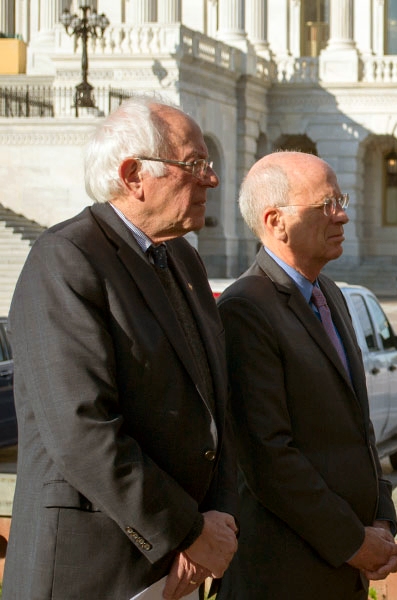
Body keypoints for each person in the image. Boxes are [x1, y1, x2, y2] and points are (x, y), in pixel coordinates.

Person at [6, 96, 238, 599]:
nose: (211, 180)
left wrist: (208, 531)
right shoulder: (66, 260)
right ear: (134, 175)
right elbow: (81, 431)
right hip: (91, 569)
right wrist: (187, 533)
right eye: (195, 165)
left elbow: (212, 410)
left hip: (177, 566)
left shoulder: (183, 260)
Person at [217, 151, 397, 599]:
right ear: (275, 220)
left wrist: (381, 517)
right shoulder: (246, 309)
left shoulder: (331, 295)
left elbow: (358, 428)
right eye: (325, 205)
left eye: (341, 200)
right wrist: (353, 542)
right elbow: (268, 458)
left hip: (343, 568)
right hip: (284, 574)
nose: (342, 215)